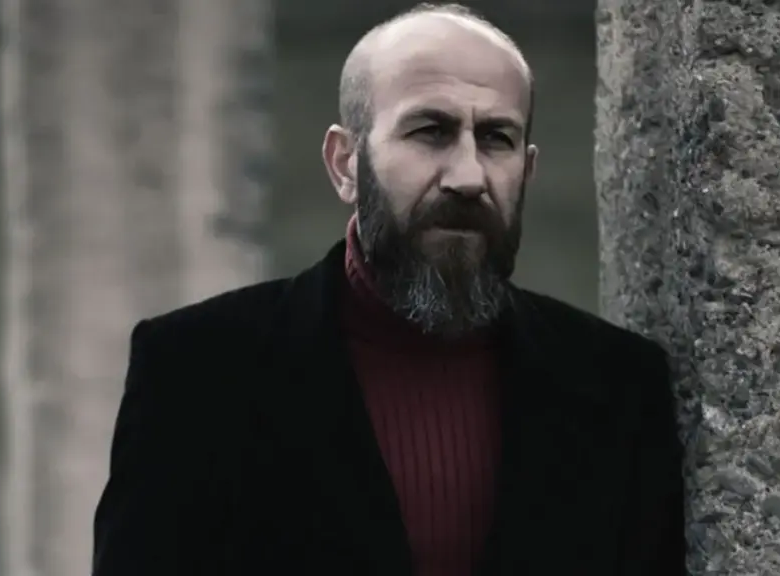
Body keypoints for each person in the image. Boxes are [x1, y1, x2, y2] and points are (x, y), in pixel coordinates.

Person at [91, 3, 686, 575]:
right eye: (430, 131)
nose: (468, 177)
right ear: (345, 164)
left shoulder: (619, 388)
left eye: (496, 138)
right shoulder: (194, 371)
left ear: (526, 169)